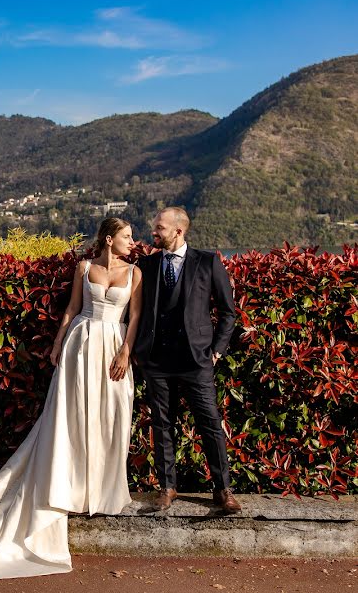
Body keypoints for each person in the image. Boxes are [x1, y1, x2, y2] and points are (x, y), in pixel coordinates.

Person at [0, 218, 142, 579]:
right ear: (108, 238)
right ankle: (65, 483)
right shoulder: (84, 267)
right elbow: (71, 309)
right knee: (70, 418)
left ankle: (99, 490)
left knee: (110, 417)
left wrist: (125, 353)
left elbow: (134, 318)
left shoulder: (135, 274)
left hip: (113, 347)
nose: (134, 242)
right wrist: (57, 343)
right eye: (127, 236)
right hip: (81, 348)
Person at [132, 207, 240, 514]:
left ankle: (222, 490)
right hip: (156, 360)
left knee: (210, 423)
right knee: (162, 424)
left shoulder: (207, 262)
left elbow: (228, 311)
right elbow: (136, 312)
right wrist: (139, 350)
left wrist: (217, 349)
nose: (154, 233)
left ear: (179, 231)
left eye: (160, 228)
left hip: (196, 360)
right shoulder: (147, 264)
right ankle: (167, 487)